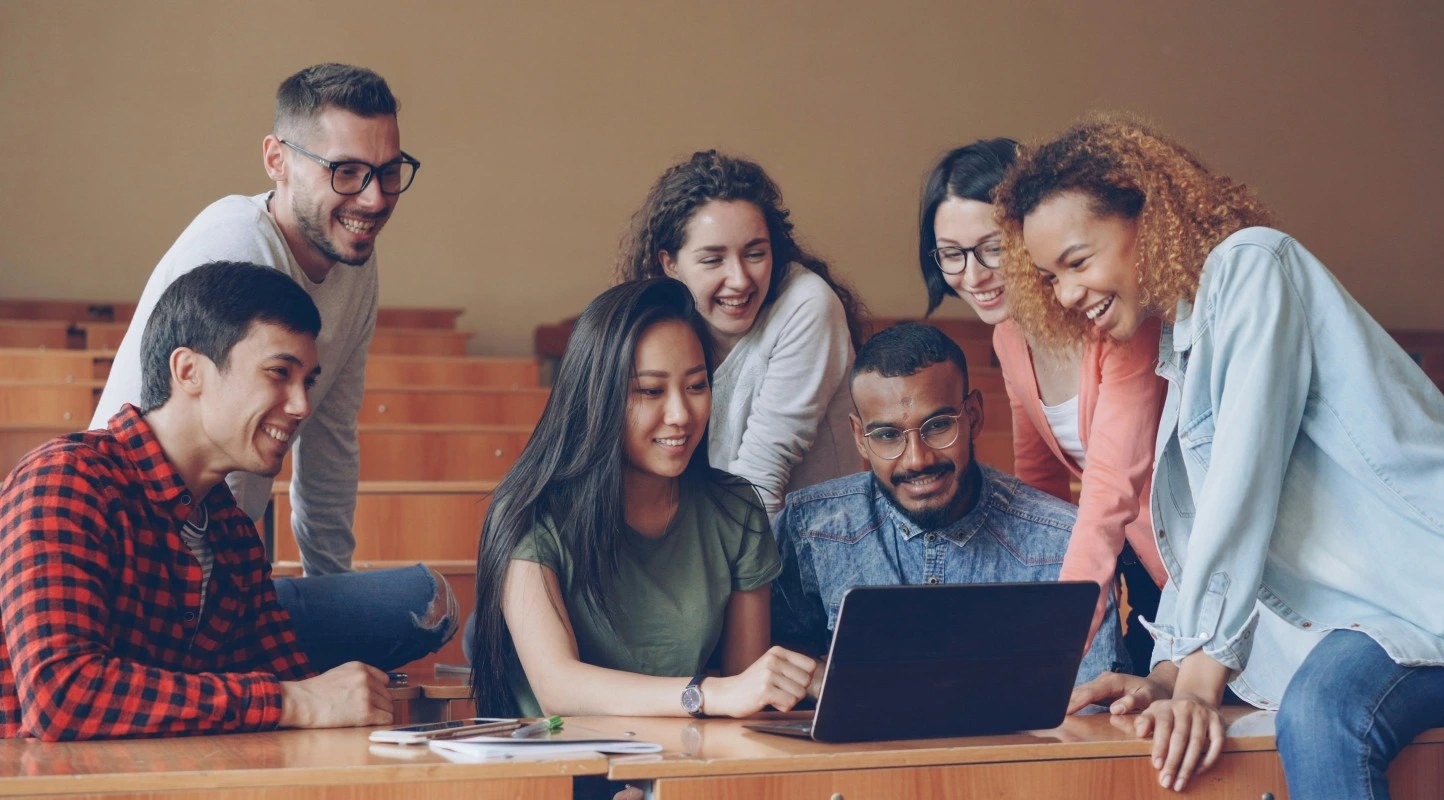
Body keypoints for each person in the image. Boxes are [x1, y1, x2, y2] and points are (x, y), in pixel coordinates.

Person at [996, 116, 1444, 798]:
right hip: (1396, 621)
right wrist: (1166, 671)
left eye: (1078, 261)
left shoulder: (1252, 266)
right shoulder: (1180, 355)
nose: (1068, 294)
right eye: (1051, 278)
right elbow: (1201, 550)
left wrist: (1199, 676)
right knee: (1319, 710)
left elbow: (1241, 484)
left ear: (1146, 213)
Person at [86, 63, 453, 670]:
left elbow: (329, 440)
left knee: (428, 602)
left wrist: (329, 591)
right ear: (277, 160)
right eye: (347, 172)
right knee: (410, 605)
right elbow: (203, 438)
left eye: (389, 173)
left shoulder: (355, 263)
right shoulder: (235, 246)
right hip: (154, 560)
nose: (375, 197)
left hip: (225, 554)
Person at [0, 263, 407, 741]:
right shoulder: (67, 480)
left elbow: (297, 682)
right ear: (189, 371)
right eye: (279, 373)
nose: (301, 405)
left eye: (308, 381)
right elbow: (62, 697)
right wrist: (290, 700)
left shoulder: (230, 529)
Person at [469, 278, 819, 723]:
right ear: (596, 398)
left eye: (696, 386)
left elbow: (744, 696)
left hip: (681, 772)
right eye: (651, 391)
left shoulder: (735, 511)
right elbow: (558, 688)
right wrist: (704, 695)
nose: (680, 414)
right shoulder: (529, 513)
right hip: (562, 774)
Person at [918, 139, 1167, 672]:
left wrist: (1051, 643)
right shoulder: (1010, 333)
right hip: (1136, 566)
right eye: (951, 254)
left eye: (991, 248)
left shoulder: (1117, 316)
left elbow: (1108, 492)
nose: (974, 274)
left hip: (1198, 566)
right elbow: (1039, 485)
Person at [771, 322, 1124, 685]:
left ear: (973, 416)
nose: (916, 460)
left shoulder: (1064, 542)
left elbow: (1090, 715)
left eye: (938, 426)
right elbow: (769, 682)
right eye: (887, 435)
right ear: (860, 438)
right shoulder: (808, 530)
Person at [616, 150, 868, 515]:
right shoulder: (662, 322)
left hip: (802, 549)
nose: (739, 279)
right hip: (706, 534)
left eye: (755, 254)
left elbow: (760, 482)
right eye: (713, 259)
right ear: (669, 263)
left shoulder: (808, 304)